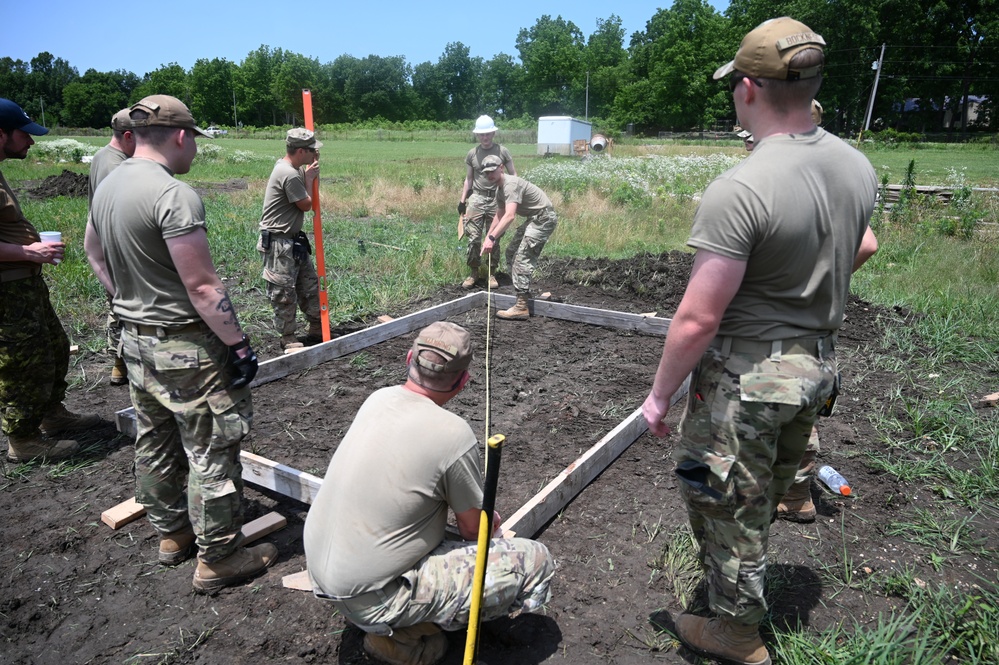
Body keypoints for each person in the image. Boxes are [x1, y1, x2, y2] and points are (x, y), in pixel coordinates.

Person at [640, 18, 879, 665]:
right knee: (768, 481)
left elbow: (695, 318)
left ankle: (736, 633)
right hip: (817, 365)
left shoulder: (741, 186)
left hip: (750, 375)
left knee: (716, 493)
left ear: (747, 87)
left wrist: (659, 397)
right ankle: (755, 550)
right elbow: (862, 245)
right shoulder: (856, 166)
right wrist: (803, 290)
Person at [85, 94, 275, 592]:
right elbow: (204, 287)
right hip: (186, 348)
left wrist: (129, 301)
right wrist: (239, 346)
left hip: (135, 342)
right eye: (195, 140)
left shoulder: (109, 182)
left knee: (156, 441)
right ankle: (219, 559)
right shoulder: (173, 195)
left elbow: (93, 251)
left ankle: (172, 535)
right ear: (181, 135)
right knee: (213, 448)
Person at [304, 321, 555, 665]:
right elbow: (473, 531)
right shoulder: (453, 434)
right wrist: (489, 520)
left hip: (321, 573)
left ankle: (397, 620)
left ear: (409, 359)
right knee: (534, 560)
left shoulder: (378, 399)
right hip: (371, 597)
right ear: (463, 380)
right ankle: (401, 639)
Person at [1, 97, 102, 463]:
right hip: (7, 289)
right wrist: (29, 253)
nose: (31, 142)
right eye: (24, 134)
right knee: (20, 360)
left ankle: (51, 415)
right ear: (1, 134)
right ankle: (23, 441)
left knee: (53, 348)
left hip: (24, 284)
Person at [258, 128, 323, 350]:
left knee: (308, 285)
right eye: (312, 150)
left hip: (293, 241)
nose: (315, 154)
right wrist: (310, 177)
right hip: (279, 243)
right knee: (284, 292)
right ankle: (288, 337)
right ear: (301, 151)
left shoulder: (291, 169)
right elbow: (306, 205)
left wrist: (309, 175)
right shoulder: (289, 173)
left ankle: (317, 327)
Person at [89, 108, 136, 386]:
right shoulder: (118, 168)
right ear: (129, 136)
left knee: (117, 307)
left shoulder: (100, 157)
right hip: (119, 251)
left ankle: (120, 365)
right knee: (125, 308)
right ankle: (125, 363)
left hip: (109, 248)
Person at [479, 155, 558, 320]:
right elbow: (499, 215)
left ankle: (521, 306)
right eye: (486, 173)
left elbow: (509, 216)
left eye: (492, 171)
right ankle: (524, 294)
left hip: (543, 218)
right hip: (534, 219)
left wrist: (492, 239)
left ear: (501, 167)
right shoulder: (499, 189)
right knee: (511, 253)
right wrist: (488, 236)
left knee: (521, 258)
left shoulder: (510, 184)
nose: (490, 175)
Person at [457, 115, 516, 290]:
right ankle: (474, 273)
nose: (485, 137)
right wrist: (462, 201)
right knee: (474, 238)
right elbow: (468, 179)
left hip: (498, 199)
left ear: (493, 133)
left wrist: (511, 198)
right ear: (477, 135)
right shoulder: (472, 154)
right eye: (481, 135)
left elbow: (513, 175)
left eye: (488, 134)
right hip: (476, 198)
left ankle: (491, 273)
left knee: (494, 238)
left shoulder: (503, 151)